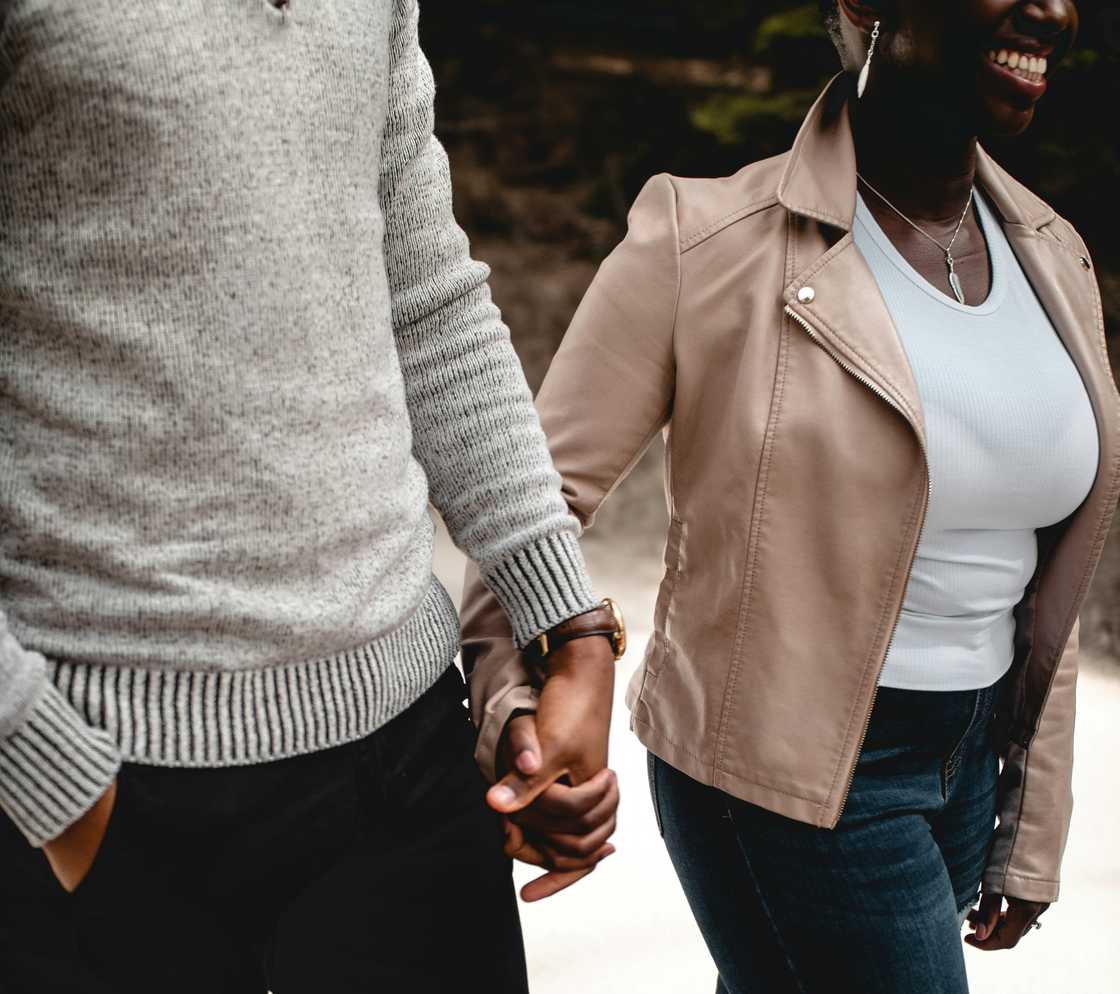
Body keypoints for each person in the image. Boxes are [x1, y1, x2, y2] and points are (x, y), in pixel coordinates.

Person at [461, 1, 1119, 991]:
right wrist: (518, 704)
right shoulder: (703, 237)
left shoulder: (1052, 252)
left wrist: (1028, 818)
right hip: (783, 775)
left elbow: (1034, 574)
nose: (1052, 10)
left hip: (962, 765)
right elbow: (524, 504)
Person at [0, 1, 622, 991]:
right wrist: (46, 773)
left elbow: (427, 297)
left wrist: (568, 624)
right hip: (93, 779)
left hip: (403, 771)